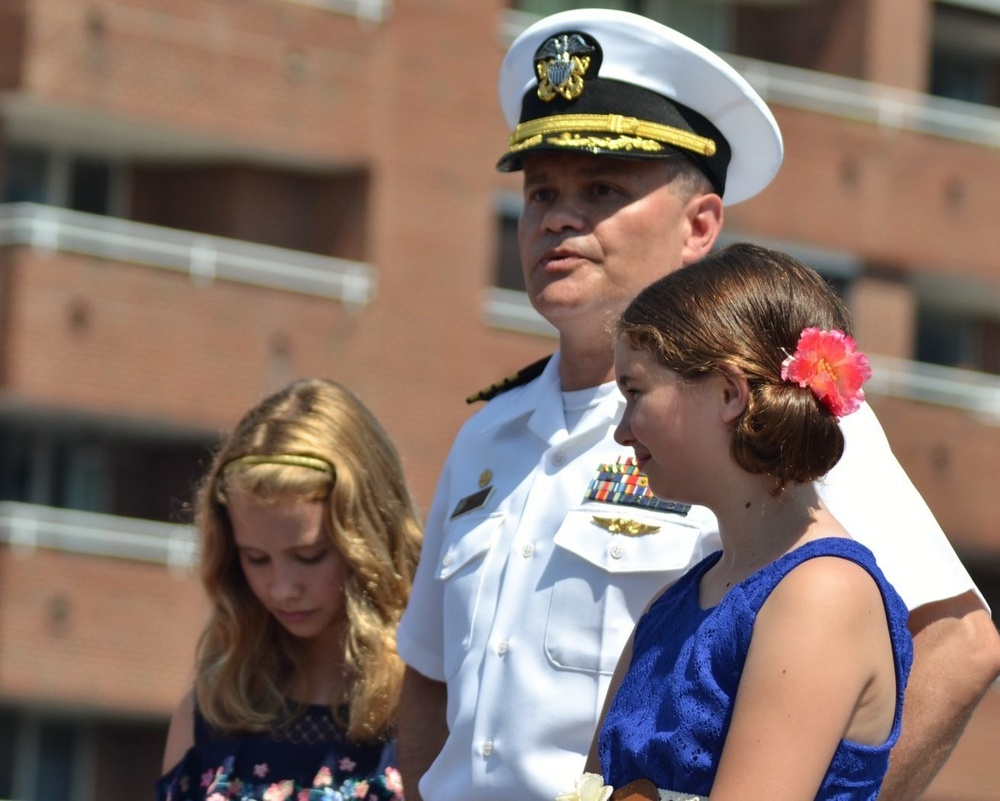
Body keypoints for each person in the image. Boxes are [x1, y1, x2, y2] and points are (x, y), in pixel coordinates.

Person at [396, 9, 1000, 801]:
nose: (557, 216)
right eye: (540, 190)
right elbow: (430, 685)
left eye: (602, 188)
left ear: (700, 225)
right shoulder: (486, 434)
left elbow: (958, 642)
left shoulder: (779, 409)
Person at [577, 242, 912, 800]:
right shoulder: (674, 603)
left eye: (635, 392)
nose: (623, 431)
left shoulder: (822, 593)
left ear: (729, 393)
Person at [157, 378, 422, 801]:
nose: (281, 589)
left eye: (309, 556)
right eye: (255, 558)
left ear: (370, 539)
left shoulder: (436, 696)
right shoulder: (209, 711)